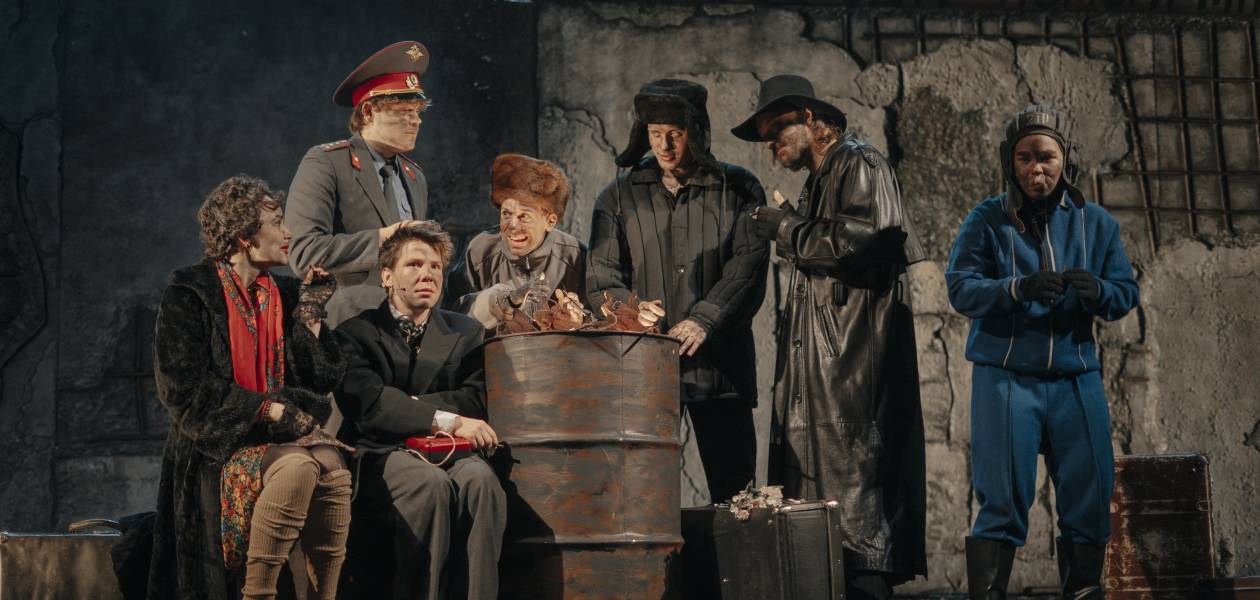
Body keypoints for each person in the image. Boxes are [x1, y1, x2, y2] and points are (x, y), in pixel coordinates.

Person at [732, 74, 927, 598]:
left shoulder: (859, 163)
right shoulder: (820, 180)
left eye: (776, 130)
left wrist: (785, 227)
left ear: (809, 118)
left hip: (852, 381)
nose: (771, 145)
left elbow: (868, 239)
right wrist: (794, 224)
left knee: (859, 534)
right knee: (823, 540)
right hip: (822, 383)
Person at [945, 105, 1139, 600]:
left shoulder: (1096, 223)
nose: (1037, 169)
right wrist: (1018, 287)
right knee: (1002, 499)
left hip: (1076, 377)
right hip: (1007, 377)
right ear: (1010, 163)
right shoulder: (987, 219)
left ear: (1064, 160)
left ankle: (1083, 592)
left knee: (1091, 492)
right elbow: (961, 288)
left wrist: (1097, 290)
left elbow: (1124, 293)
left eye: (1047, 157)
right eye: (1025, 157)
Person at [148, 175, 350, 600]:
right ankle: (258, 595)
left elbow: (320, 380)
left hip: (276, 440)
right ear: (244, 236)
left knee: (333, 468)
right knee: (298, 467)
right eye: (277, 223)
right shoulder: (190, 293)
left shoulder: (288, 294)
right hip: (215, 447)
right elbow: (183, 390)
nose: (289, 232)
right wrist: (268, 409)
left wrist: (311, 315)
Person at [586, 78, 769, 504]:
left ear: (697, 132)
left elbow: (748, 267)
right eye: (655, 134)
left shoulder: (739, 189)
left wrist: (704, 319)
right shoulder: (618, 195)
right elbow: (601, 276)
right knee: (642, 499)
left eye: (676, 134)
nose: (665, 146)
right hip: (645, 370)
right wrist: (633, 314)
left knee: (736, 498)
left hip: (720, 369)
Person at [335, 221, 505, 600]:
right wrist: (446, 418)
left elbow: (475, 399)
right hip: (382, 452)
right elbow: (370, 405)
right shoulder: (354, 333)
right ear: (387, 276)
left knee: (481, 481)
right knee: (429, 485)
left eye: (435, 267)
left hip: (449, 449)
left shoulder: (466, 332)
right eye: (414, 264)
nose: (427, 274)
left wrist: (411, 406)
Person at [286, 41, 432, 326]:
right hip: (349, 324)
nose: (416, 121)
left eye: (417, 111)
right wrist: (382, 239)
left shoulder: (415, 177)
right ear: (368, 112)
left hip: (409, 324)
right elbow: (304, 253)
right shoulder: (327, 162)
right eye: (404, 110)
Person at [446, 153, 585, 331]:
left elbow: (599, 322)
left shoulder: (574, 256)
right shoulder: (481, 250)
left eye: (524, 216)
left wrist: (578, 322)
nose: (512, 225)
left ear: (550, 221)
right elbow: (450, 316)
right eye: (506, 214)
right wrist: (499, 303)